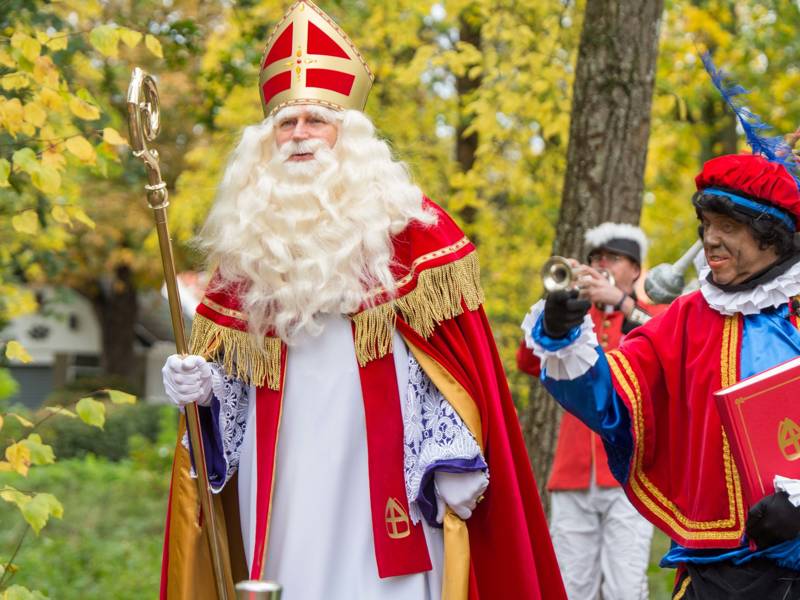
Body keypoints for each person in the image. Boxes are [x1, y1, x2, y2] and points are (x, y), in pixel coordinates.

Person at [158, 2, 566, 599]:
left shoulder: (414, 231)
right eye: (285, 123)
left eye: (314, 121)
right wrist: (204, 396)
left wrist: (450, 457)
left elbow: (449, 372)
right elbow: (233, 400)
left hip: (388, 482)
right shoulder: (247, 255)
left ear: (348, 134)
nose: (298, 136)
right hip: (284, 483)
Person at [522, 147, 800, 599]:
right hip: (712, 571)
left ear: (771, 235)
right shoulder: (690, 315)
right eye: (706, 225)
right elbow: (614, 399)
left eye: (727, 227)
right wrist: (562, 333)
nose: (710, 240)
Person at [517, 223, 664, 599]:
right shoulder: (579, 321)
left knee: (625, 587)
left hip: (629, 472)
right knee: (570, 585)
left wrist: (622, 301)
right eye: (596, 258)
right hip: (572, 472)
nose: (601, 264)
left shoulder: (647, 315)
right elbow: (528, 361)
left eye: (612, 258)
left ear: (634, 268)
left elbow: (666, 346)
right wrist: (554, 302)